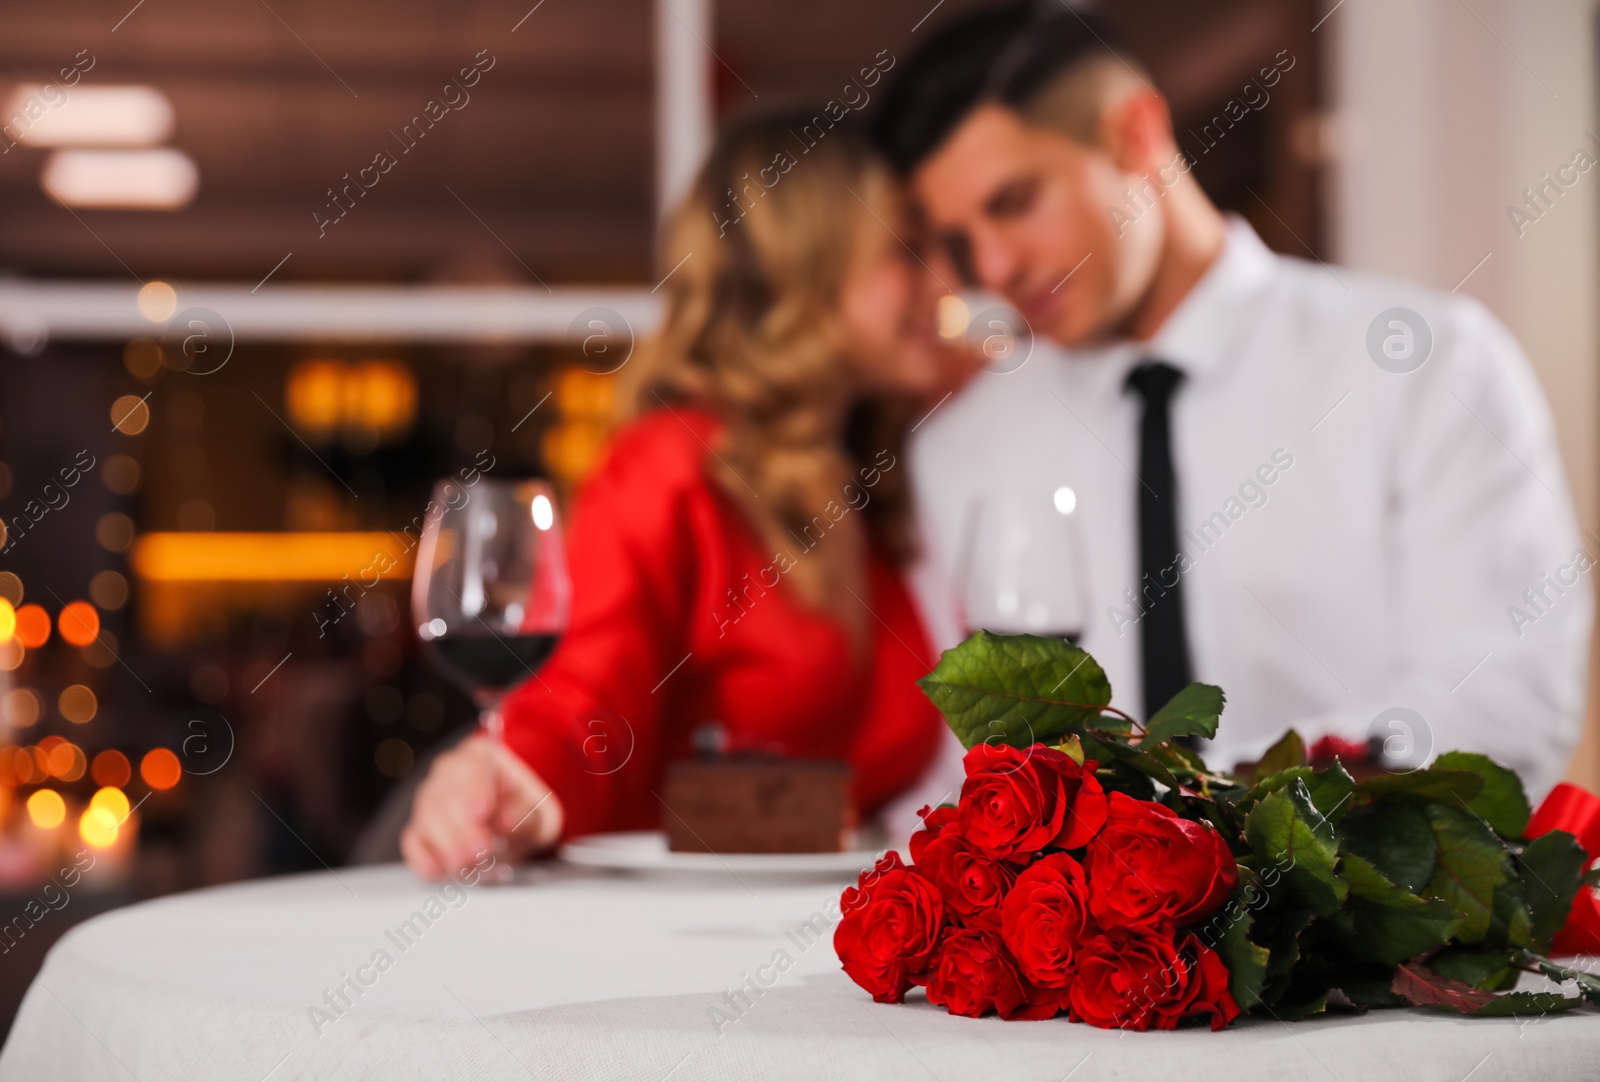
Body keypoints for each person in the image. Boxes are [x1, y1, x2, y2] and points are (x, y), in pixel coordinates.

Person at [873, 0, 1591, 815]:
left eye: (1013, 201)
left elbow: (1502, 703)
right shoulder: (962, 447)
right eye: (958, 239)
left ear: (1134, 132)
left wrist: (1221, 816)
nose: (993, 267)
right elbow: (953, 766)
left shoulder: (1426, 365)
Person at [401, 110, 954, 879]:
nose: (947, 281)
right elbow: (585, 691)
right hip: (670, 950)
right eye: (907, 249)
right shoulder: (671, 463)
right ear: (810, 269)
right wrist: (514, 777)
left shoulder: (868, 476)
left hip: (823, 935)